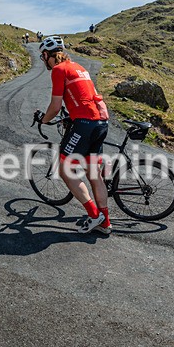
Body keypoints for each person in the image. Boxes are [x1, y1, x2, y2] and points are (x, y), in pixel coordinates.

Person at [34, 35, 111, 235]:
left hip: (84, 124)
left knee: (65, 171)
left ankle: (95, 216)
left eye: (43, 57)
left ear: (46, 55)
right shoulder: (79, 68)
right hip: (101, 122)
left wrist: (44, 120)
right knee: (94, 174)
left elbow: (55, 105)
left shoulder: (59, 70)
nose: (44, 61)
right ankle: (105, 223)